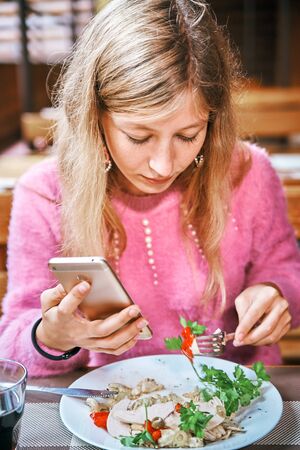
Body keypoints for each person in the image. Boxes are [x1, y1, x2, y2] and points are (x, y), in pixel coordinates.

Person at [1, 0, 300, 377]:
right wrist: (53, 336)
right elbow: (12, 341)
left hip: (240, 400)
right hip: (111, 409)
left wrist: (276, 292)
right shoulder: (45, 194)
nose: (163, 165)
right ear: (94, 117)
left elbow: (285, 267)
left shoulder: (248, 172)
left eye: (188, 135)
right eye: (139, 137)